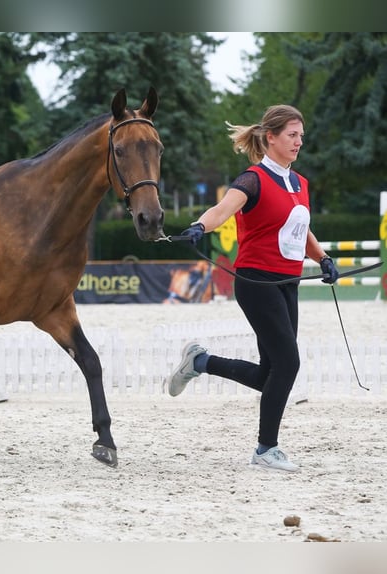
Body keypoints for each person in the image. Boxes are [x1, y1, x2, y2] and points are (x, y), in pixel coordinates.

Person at [164, 104, 339, 473]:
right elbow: (223, 209)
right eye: (292, 135)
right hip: (256, 281)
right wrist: (199, 226)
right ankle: (266, 449)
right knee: (288, 363)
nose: (298, 142)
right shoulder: (254, 179)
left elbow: (299, 227)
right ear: (270, 137)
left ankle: (200, 361)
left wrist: (322, 257)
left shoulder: (300, 183)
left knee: (270, 374)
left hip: (287, 283)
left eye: (301, 136)